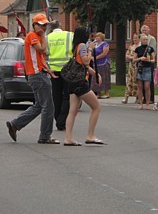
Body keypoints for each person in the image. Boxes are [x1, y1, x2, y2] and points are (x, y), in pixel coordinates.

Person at [6, 14, 59, 145]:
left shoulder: (35, 36)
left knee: (40, 105)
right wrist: (42, 36)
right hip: (37, 75)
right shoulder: (33, 36)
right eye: (41, 25)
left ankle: (15, 124)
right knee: (48, 106)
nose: (44, 27)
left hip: (38, 74)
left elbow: (41, 57)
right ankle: (45, 136)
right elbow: (42, 50)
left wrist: (48, 70)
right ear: (35, 25)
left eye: (45, 25)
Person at [63, 26, 104, 146]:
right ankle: (90, 135)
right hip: (80, 82)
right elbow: (86, 61)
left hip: (73, 81)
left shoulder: (76, 47)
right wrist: (90, 49)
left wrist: (96, 74)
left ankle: (68, 137)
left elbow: (83, 65)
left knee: (73, 111)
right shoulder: (82, 46)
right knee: (96, 107)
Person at [47, 19, 73, 131]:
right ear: (60, 25)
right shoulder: (69, 35)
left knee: (56, 96)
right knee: (67, 96)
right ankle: (62, 121)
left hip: (53, 70)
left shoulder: (47, 38)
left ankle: (58, 118)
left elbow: (45, 54)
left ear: (51, 28)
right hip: (67, 69)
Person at [134, 34, 155, 110]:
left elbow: (153, 60)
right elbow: (134, 59)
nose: (145, 41)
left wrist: (148, 60)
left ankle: (148, 103)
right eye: (144, 39)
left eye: (146, 39)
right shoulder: (138, 49)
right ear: (141, 40)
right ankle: (140, 103)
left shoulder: (150, 49)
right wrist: (140, 58)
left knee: (147, 86)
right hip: (140, 68)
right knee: (140, 86)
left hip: (147, 68)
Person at [91, 32, 111, 98]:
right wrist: (91, 57)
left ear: (101, 38)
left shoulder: (105, 44)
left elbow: (104, 53)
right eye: (96, 36)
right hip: (96, 64)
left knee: (105, 77)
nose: (96, 38)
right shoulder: (94, 44)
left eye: (98, 36)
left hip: (103, 62)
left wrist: (96, 58)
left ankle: (106, 93)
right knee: (96, 77)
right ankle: (98, 93)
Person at [122, 33, 140, 104]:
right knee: (129, 81)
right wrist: (131, 58)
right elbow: (127, 55)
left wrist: (135, 59)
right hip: (131, 66)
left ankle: (137, 97)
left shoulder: (140, 47)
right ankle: (126, 97)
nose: (135, 39)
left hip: (137, 66)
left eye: (136, 38)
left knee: (137, 82)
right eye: (134, 38)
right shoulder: (131, 47)